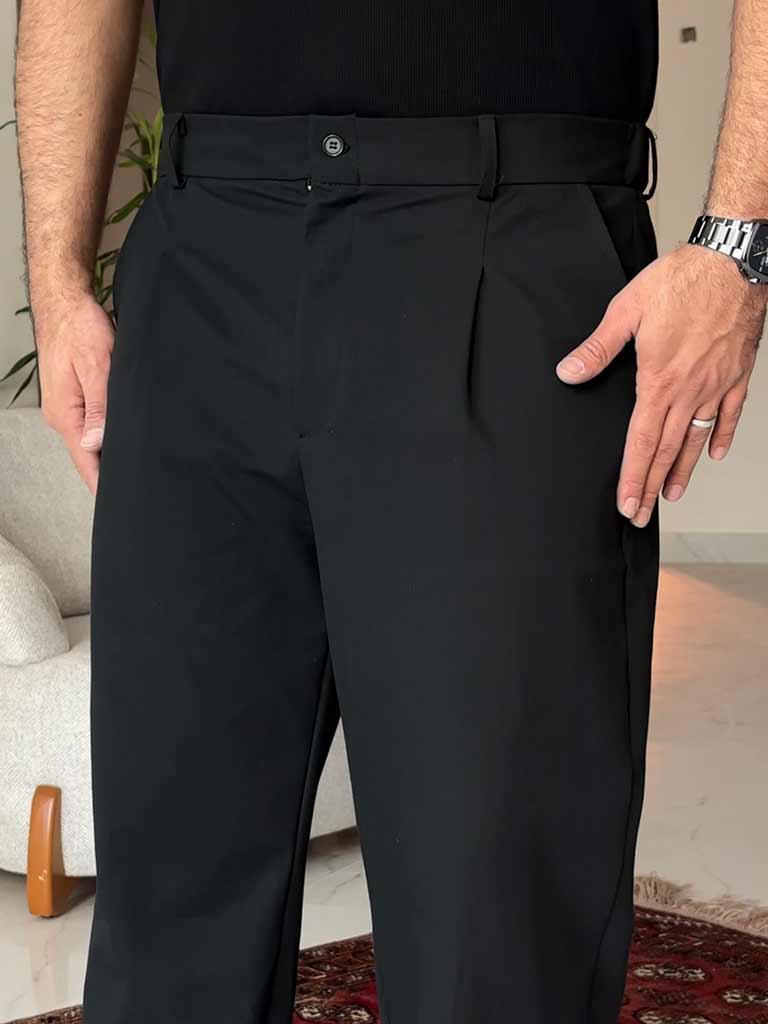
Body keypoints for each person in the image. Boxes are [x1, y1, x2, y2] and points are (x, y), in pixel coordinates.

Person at [14, 1, 766, 1021]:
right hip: (204, 249)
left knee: (492, 913)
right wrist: (57, 279)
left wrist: (739, 246)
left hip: (505, 237)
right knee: (169, 901)